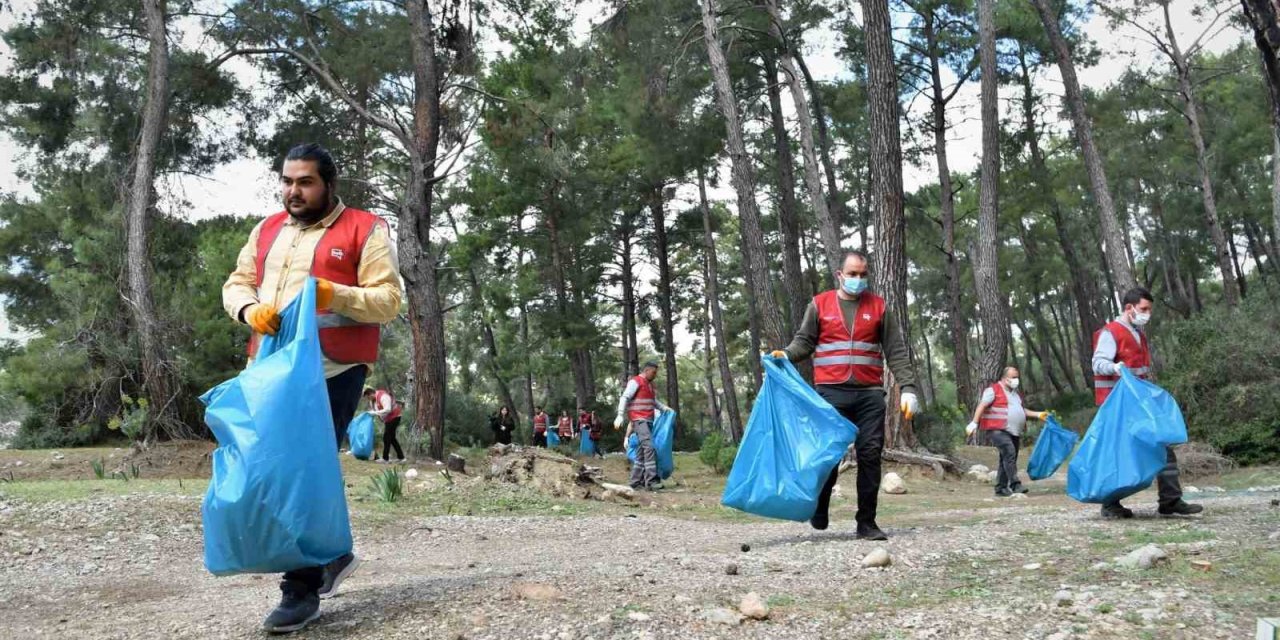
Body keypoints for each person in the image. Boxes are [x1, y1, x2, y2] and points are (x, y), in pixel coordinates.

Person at [222, 143, 402, 633]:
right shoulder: (265, 231)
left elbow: (388, 300)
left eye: (305, 182)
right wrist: (247, 309)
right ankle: (333, 553)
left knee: (300, 472)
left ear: (328, 184)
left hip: (333, 369)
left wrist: (332, 293)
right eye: (287, 181)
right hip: (268, 371)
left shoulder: (366, 228)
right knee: (269, 469)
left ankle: (299, 589)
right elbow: (237, 283)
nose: (293, 191)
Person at [771, 249, 919, 541]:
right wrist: (785, 355)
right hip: (830, 393)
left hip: (869, 395)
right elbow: (804, 342)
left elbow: (896, 351)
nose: (858, 279)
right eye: (852, 274)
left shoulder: (879, 307)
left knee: (870, 455)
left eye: (863, 274)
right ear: (840, 274)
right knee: (829, 456)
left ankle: (867, 523)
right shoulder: (820, 304)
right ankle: (820, 506)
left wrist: (909, 387)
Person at [1092, 287, 1203, 519]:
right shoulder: (1111, 332)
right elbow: (1098, 363)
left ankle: (1170, 501)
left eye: (1150, 309)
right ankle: (1110, 504)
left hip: (1137, 403)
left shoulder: (1138, 335)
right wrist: (1115, 367)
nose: (1148, 314)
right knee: (1119, 453)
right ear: (1129, 307)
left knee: (1161, 445)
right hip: (1117, 405)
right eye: (1144, 309)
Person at [967, 367, 1048, 497]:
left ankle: (1001, 488)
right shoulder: (993, 390)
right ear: (1005, 379)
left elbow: (1021, 410)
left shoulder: (1015, 394)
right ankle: (1015, 485)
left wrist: (1038, 414)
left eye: (1017, 377)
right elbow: (982, 405)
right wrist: (974, 423)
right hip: (998, 429)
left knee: (1007, 458)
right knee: (1009, 453)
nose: (1016, 380)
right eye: (1013, 377)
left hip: (1013, 431)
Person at [615, 361, 672, 490]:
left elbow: (653, 401)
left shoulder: (649, 385)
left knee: (641, 453)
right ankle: (651, 481)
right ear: (646, 370)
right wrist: (620, 414)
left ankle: (635, 482)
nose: (655, 375)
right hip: (639, 420)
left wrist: (664, 408)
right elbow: (625, 397)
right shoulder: (636, 381)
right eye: (653, 372)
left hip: (648, 421)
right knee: (649, 447)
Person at [363, 386, 404, 463]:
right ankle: (401, 458)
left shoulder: (383, 396)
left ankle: (385, 459)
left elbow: (387, 409)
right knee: (392, 438)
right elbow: (376, 411)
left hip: (395, 416)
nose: (368, 400)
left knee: (386, 437)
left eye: (368, 397)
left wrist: (374, 413)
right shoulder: (373, 401)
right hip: (388, 419)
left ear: (371, 394)